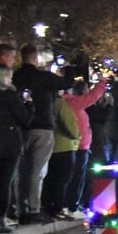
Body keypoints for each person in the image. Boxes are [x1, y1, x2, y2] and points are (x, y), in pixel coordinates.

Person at [12, 44, 75, 224]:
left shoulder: (16, 77)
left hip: (21, 127)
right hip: (42, 127)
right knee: (37, 171)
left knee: (22, 171)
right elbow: (67, 83)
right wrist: (68, 68)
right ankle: (34, 209)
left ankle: (21, 209)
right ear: (36, 58)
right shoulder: (43, 77)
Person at [0, 65, 33, 234]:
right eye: (10, 78)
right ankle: (0, 220)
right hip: (9, 143)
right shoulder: (10, 95)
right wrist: (29, 104)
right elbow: (25, 119)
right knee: (5, 183)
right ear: (4, 78)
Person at [62, 75, 107, 216]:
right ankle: (72, 206)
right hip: (80, 145)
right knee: (77, 177)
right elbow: (92, 97)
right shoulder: (72, 103)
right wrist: (102, 82)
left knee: (73, 176)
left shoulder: (65, 103)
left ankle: (70, 205)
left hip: (77, 145)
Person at [39, 91, 79, 220]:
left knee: (49, 180)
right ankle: (58, 208)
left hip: (48, 146)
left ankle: (47, 207)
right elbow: (70, 124)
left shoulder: (42, 103)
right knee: (62, 181)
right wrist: (76, 136)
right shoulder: (60, 104)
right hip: (64, 146)